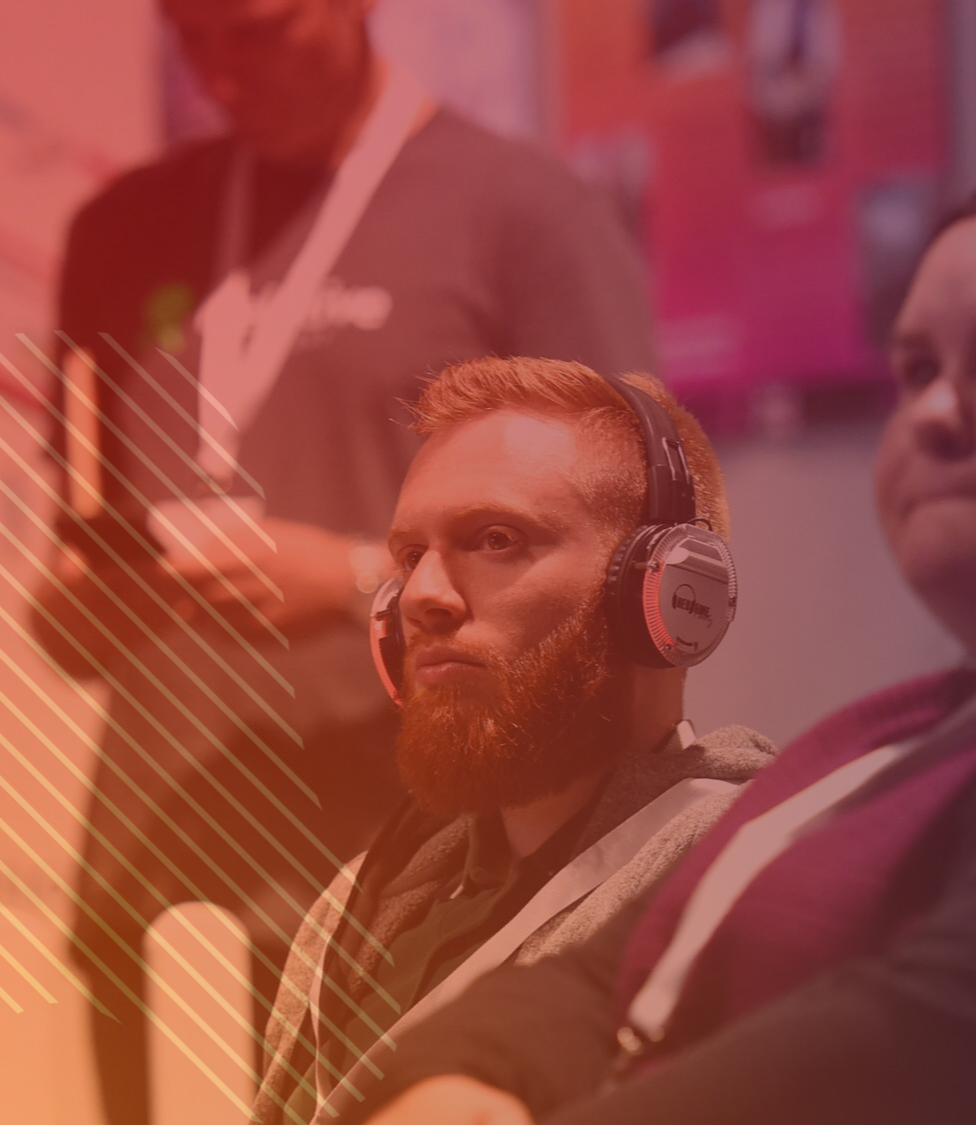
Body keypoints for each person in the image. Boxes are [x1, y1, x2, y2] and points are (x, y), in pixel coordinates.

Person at [341, 166, 976, 1125]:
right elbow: (587, 975)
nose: (934, 413)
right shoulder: (892, 736)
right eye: (917, 367)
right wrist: (462, 1076)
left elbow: (906, 1056)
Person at [32, 1, 657, 1121]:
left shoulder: (521, 212)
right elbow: (76, 562)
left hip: (405, 854)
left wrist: (365, 577)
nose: (224, 73)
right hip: (157, 853)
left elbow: (637, 537)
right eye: (194, 36)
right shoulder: (123, 231)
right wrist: (75, 616)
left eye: (262, 28)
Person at [249, 358, 773, 1124]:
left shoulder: (748, 886)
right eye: (409, 556)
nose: (423, 595)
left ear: (665, 592)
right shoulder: (363, 900)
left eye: (496, 539)